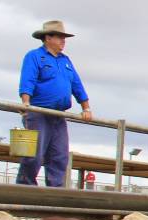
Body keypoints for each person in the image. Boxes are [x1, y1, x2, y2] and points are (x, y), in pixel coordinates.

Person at [17, 20, 92, 187]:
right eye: (59, 37)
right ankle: (24, 187)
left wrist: (86, 106)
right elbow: (28, 80)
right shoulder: (34, 56)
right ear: (47, 38)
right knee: (34, 154)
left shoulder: (65, 61)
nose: (63, 41)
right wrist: (26, 103)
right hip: (38, 112)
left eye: (64, 38)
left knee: (59, 155)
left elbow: (76, 84)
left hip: (58, 115)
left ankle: (55, 191)